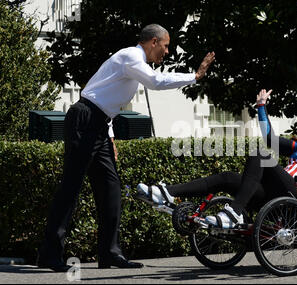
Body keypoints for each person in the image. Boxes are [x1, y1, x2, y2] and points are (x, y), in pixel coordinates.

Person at [37, 24, 215, 272]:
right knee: (71, 188)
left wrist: (108, 137)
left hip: (98, 126)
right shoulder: (131, 56)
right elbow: (156, 81)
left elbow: (106, 103)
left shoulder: (132, 65)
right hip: (84, 121)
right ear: (153, 42)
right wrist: (193, 77)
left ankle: (109, 253)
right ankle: (50, 253)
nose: (166, 53)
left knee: (111, 190)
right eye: (165, 47)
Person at [137, 89, 297, 229]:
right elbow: (269, 138)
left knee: (259, 154)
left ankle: (234, 212)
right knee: (229, 177)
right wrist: (261, 107)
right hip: (279, 197)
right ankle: (166, 193)